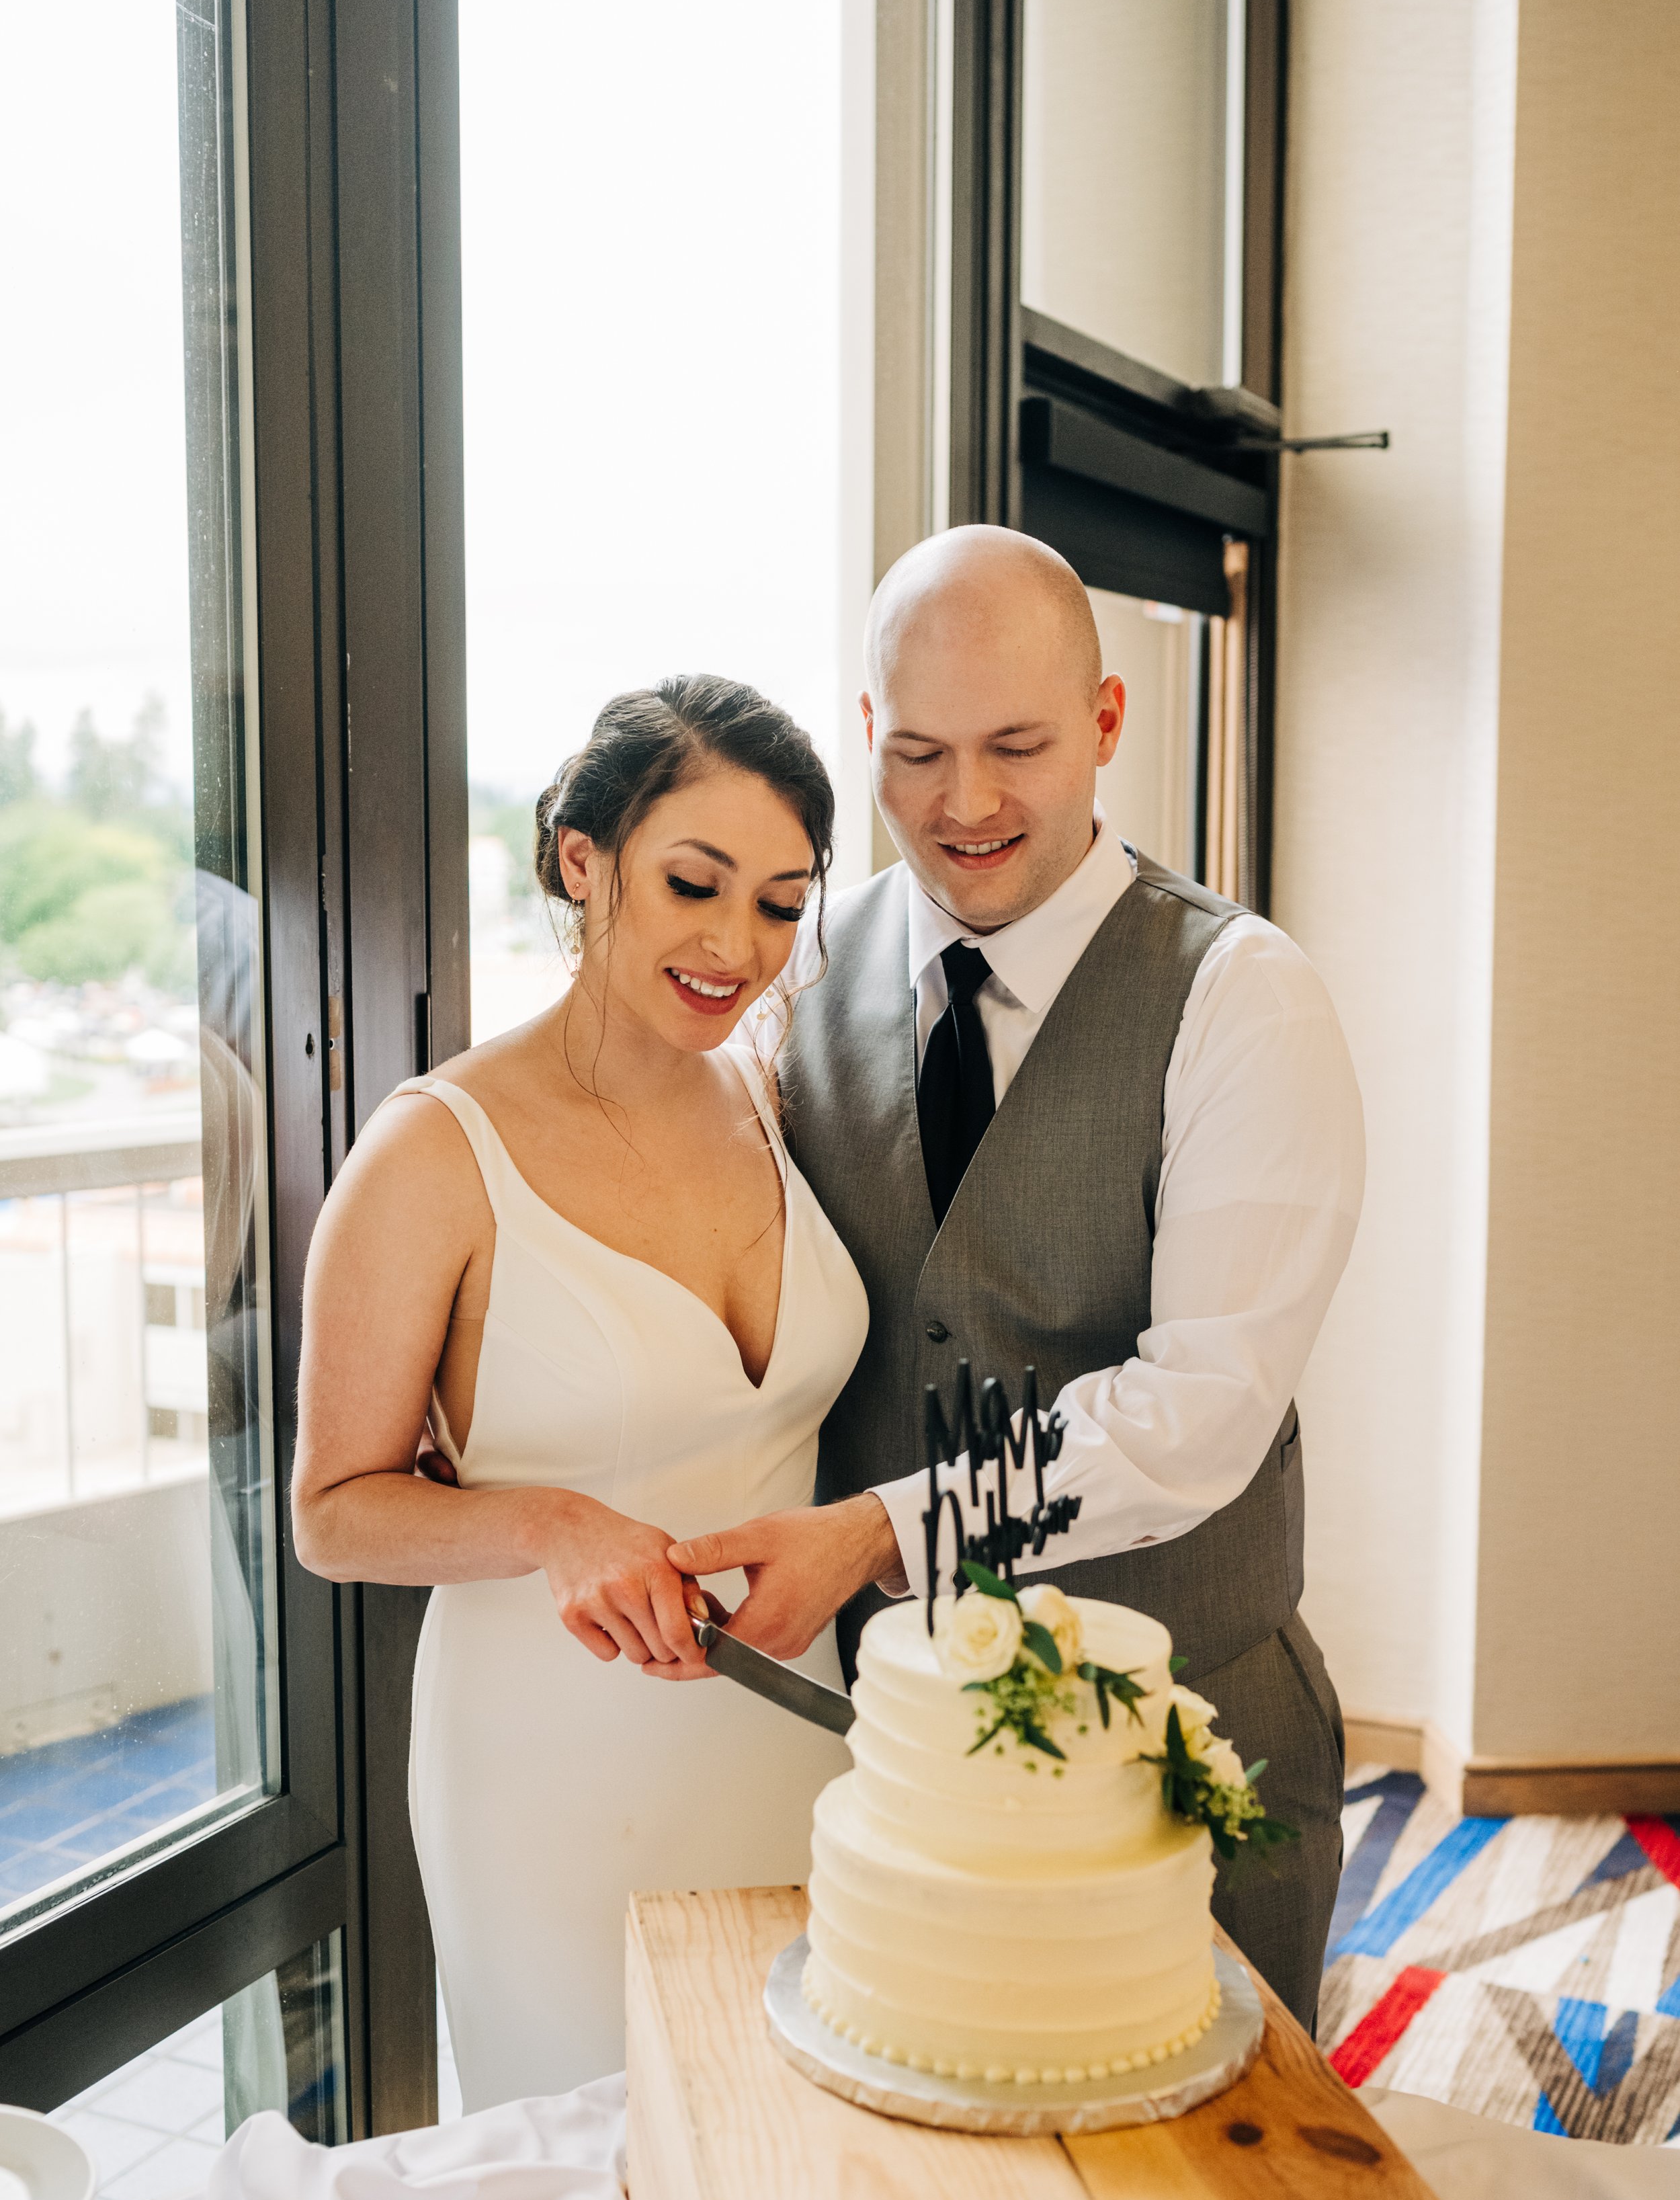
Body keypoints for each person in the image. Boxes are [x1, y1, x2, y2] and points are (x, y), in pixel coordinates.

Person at [667, 528, 1365, 2029]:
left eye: (1016, 746)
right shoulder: (797, 967)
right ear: (866, 734)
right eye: (916, 751)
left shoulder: (1242, 999)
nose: (963, 803)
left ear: (1105, 727)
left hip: (1181, 1750)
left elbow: (1199, 1419)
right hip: (889, 1761)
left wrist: (870, 1537)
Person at [291, 676, 868, 2107]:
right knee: (588, 2196)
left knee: (792, 2160)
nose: (737, 945)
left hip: (790, 1727)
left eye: (782, 904)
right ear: (578, 859)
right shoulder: (434, 1153)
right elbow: (332, 1514)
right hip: (549, 1775)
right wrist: (553, 1524)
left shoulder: (774, 1099)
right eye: (694, 883)